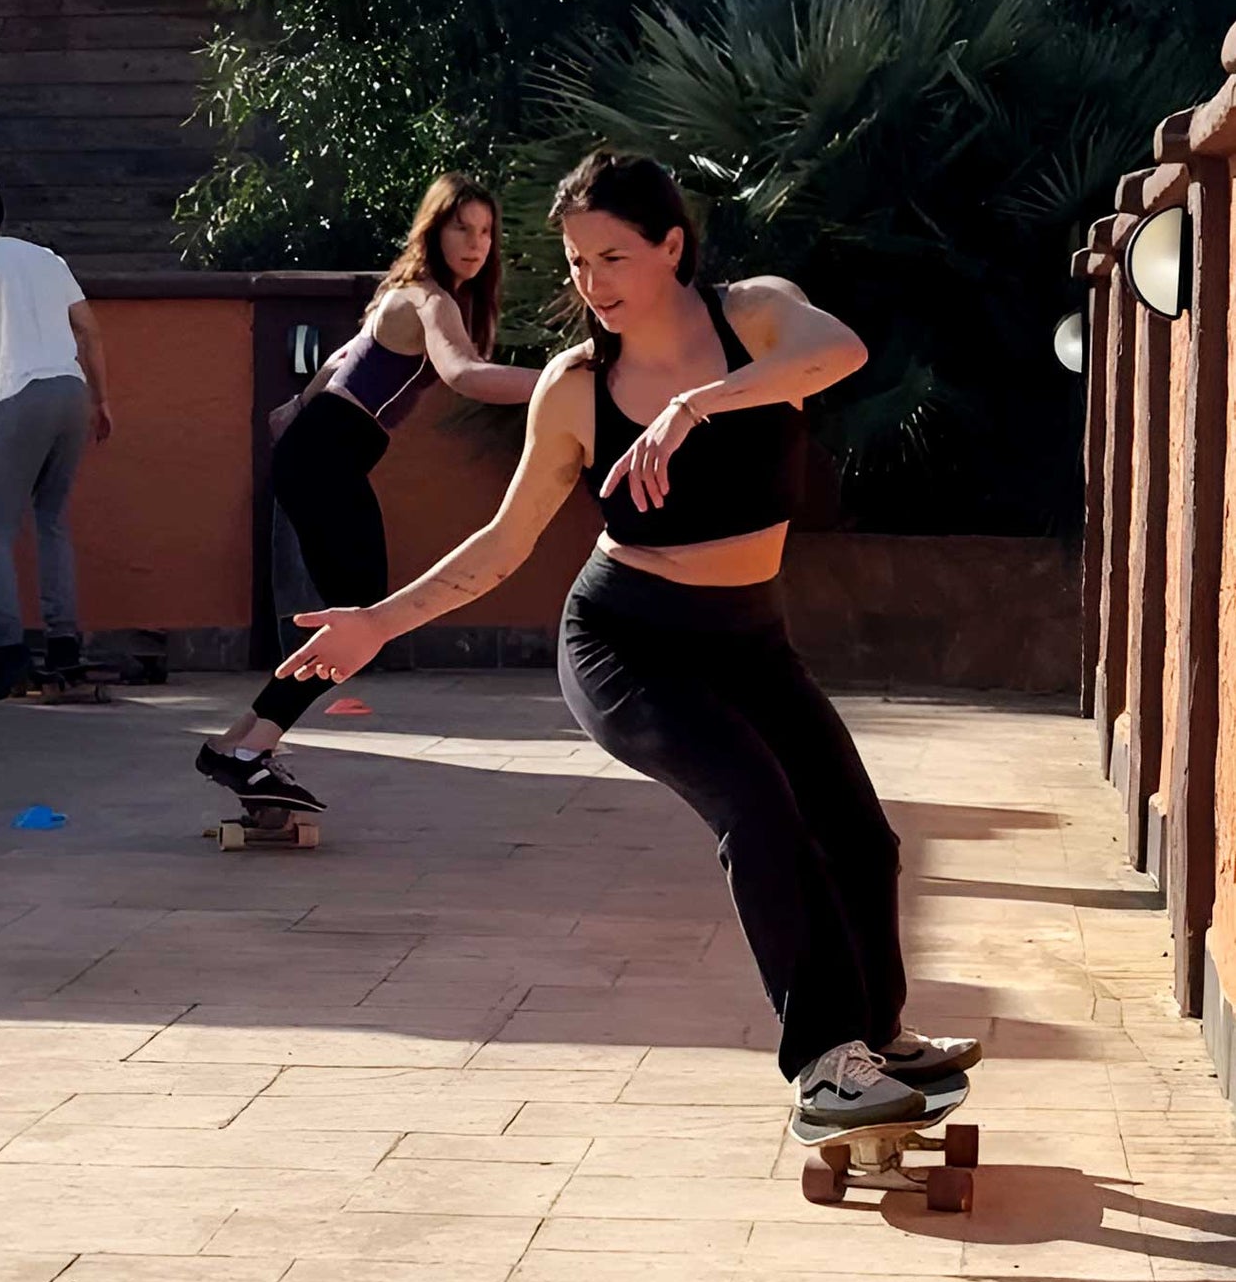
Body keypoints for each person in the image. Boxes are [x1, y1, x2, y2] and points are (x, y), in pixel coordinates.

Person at [276, 155, 980, 1130]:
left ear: (670, 246)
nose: (591, 283)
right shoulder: (574, 387)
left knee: (857, 833)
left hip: (748, 641)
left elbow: (842, 354)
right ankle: (824, 1064)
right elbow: (504, 542)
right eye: (573, 263)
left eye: (612, 256)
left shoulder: (758, 316)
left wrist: (696, 404)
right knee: (760, 812)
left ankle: (876, 1035)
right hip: (626, 643)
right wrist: (376, 623)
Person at [194, 173, 543, 814]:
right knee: (360, 619)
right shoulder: (429, 300)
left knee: (353, 617)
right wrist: (565, 378)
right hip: (326, 458)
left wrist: (292, 408)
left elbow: (338, 362)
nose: (476, 242)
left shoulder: (401, 293)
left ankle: (236, 743)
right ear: (434, 230)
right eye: (461, 227)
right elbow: (464, 375)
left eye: (486, 231)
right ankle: (249, 752)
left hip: (324, 455)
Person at [0, 180, 113, 702]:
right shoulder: (46, 259)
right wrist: (102, 400)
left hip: (15, 396)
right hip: (69, 394)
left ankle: (10, 652)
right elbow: (89, 330)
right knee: (52, 520)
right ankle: (63, 643)